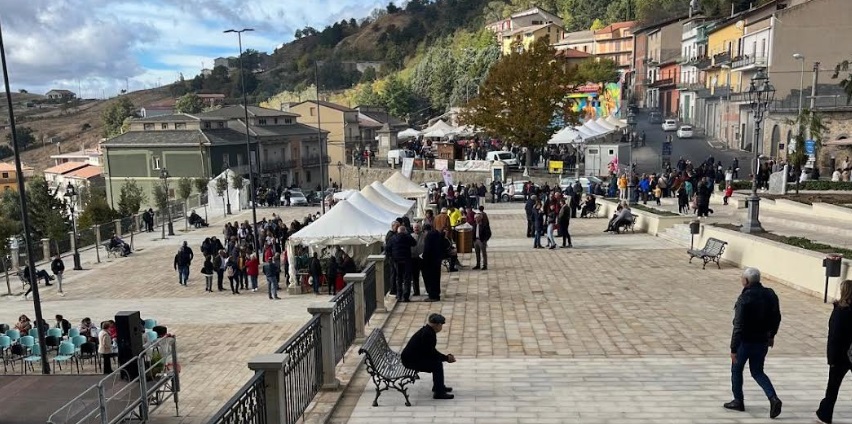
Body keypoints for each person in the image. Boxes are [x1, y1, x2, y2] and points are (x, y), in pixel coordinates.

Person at [724, 267, 782, 419]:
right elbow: (777, 317)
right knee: (757, 371)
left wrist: (733, 348)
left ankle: (738, 400)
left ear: (747, 281)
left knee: (736, 370)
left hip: (745, 342)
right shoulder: (770, 294)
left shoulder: (744, 298)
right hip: (762, 340)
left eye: (742, 278)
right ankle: (773, 398)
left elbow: (738, 325)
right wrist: (772, 335)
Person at [816, 279, 852, 423]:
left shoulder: (840, 312)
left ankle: (825, 414)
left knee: (832, 387)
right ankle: (823, 412)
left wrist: (831, 359)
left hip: (841, 356)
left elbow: (834, 337)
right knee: (833, 387)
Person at [401, 313, 456, 400]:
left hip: (413, 357)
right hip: (410, 361)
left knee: (437, 362)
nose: (441, 327)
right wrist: (446, 358)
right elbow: (431, 353)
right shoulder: (428, 334)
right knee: (437, 365)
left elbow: (430, 352)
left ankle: (439, 387)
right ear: (438, 325)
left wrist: (445, 358)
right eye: (441, 324)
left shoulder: (428, 330)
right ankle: (439, 392)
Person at [388, 226, 417, 302]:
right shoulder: (408, 237)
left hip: (396, 260)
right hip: (406, 259)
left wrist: (391, 257)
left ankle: (399, 295)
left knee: (398, 278)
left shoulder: (393, 238)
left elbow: (388, 248)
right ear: (405, 231)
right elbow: (414, 243)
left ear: (398, 231)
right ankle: (406, 296)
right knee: (407, 278)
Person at [421, 224, 444, 302]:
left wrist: (423, 257)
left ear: (425, 231)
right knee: (436, 278)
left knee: (430, 278)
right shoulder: (437, 234)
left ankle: (432, 295)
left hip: (430, 261)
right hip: (437, 259)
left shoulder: (429, 237)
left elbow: (427, 249)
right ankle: (436, 294)